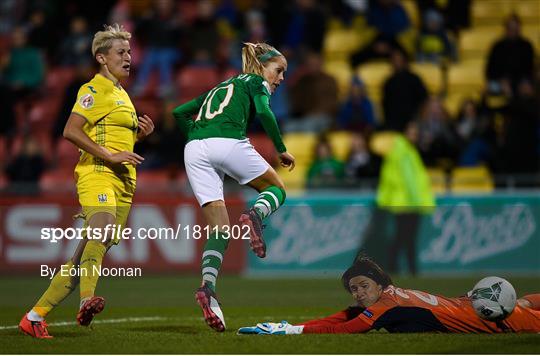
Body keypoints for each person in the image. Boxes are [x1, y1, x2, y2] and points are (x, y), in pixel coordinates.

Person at [18, 24, 154, 339]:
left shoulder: (121, 93)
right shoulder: (93, 90)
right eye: (121, 52)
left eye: (130, 52)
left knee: (84, 256)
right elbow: (71, 130)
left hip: (123, 182)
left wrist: (138, 137)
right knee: (102, 230)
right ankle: (86, 301)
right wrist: (108, 154)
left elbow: (117, 142)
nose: (128, 57)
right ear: (102, 58)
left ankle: (34, 317)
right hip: (98, 173)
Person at [172, 42, 295, 332]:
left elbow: (179, 112)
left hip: (194, 148)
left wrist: (199, 137)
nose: (280, 78)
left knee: (220, 230)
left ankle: (208, 288)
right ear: (262, 67)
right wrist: (280, 148)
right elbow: (264, 112)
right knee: (277, 189)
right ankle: (256, 215)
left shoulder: (222, 86)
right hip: (226, 141)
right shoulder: (255, 81)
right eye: (278, 71)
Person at [239, 257, 540, 334]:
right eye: (354, 289)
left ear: (379, 286)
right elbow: (346, 314)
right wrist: (289, 326)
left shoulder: (388, 305)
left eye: (362, 287)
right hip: (470, 303)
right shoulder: (390, 295)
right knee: (525, 302)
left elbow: (348, 328)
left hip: (496, 322)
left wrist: (291, 332)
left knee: (526, 311)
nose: (358, 293)